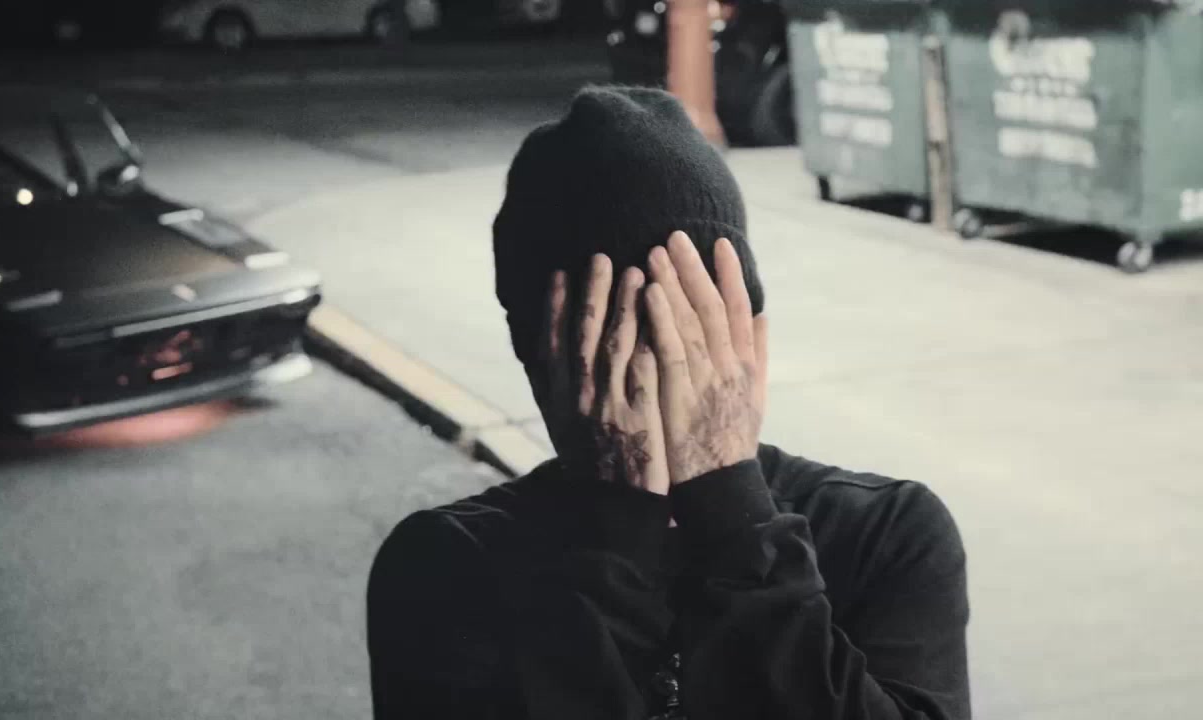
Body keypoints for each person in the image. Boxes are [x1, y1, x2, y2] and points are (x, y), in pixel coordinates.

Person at [367, 86, 970, 720]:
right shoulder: (444, 567)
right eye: (621, 342)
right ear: (543, 364)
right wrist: (616, 534)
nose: (668, 375)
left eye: (699, 331)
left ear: (751, 343)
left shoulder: (887, 535)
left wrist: (735, 516)